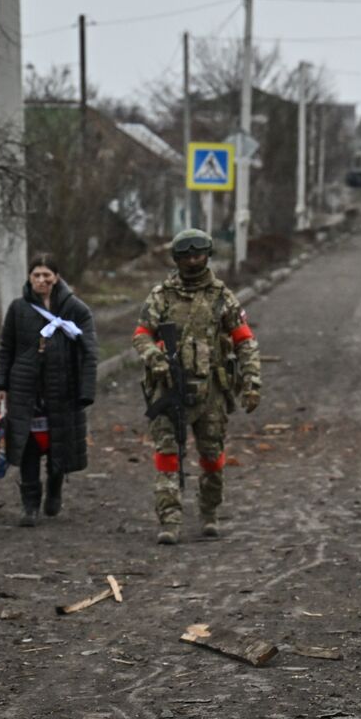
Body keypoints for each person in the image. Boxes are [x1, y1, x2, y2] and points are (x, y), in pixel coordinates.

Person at [132, 229, 262, 545]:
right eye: (187, 255)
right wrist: (155, 357)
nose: (193, 260)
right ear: (177, 259)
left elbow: (245, 341)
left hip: (211, 393)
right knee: (167, 454)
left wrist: (251, 381)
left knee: (212, 456)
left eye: (199, 254)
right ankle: (170, 519)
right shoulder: (160, 296)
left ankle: (209, 514)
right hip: (169, 389)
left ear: (207, 254)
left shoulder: (222, 297)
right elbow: (141, 334)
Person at [0, 254, 98, 527]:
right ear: (30, 278)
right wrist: (1, 384)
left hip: (63, 390)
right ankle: (29, 505)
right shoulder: (18, 309)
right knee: (28, 445)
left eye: (46, 275)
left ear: (56, 277)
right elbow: (7, 348)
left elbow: (90, 353)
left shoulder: (76, 310)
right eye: (36, 275)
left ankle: (54, 489)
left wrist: (85, 391)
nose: (41, 280)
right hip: (26, 389)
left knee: (57, 446)